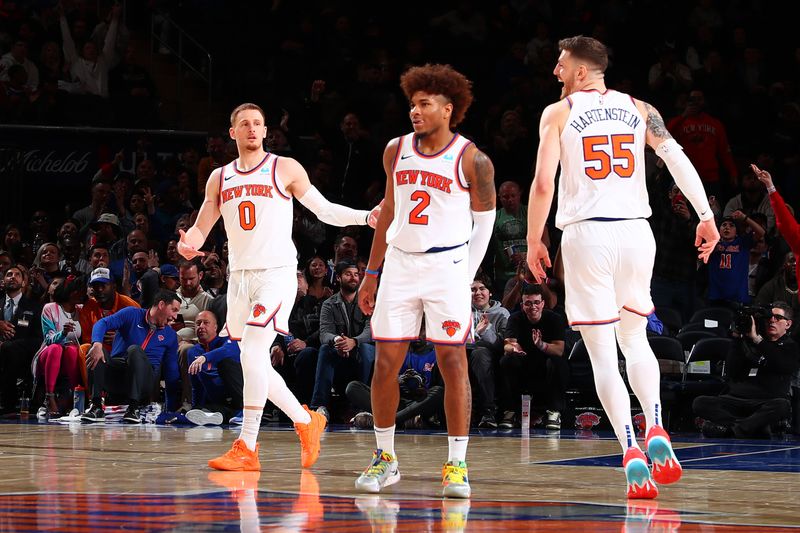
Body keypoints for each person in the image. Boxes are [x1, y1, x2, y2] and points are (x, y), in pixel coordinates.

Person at [526, 36, 720, 499]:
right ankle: (655, 425)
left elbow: (540, 183)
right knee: (635, 339)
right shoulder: (640, 107)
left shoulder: (559, 113)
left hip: (587, 235)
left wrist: (534, 238)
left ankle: (631, 451)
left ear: (579, 70)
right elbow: (676, 158)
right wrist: (706, 216)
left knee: (600, 351)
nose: (555, 71)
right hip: (636, 232)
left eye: (560, 63)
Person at [178, 102, 380, 471]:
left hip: (276, 274)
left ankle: (247, 447)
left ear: (266, 131)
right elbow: (201, 225)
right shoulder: (219, 178)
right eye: (245, 124)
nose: (253, 128)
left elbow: (324, 210)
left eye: (258, 123)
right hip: (240, 278)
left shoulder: (283, 168)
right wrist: (188, 242)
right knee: (251, 361)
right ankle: (306, 422)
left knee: (254, 349)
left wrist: (365, 217)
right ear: (233, 132)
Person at [356, 63, 496, 499]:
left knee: (453, 363)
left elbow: (486, 221)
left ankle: (456, 465)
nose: (415, 111)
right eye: (413, 104)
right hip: (399, 264)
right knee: (385, 364)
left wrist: (466, 274)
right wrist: (371, 274)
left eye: (424, 104)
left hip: (447, 266)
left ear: (448, 109)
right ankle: (385, 458)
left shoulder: (473, 158)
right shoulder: (394, 150)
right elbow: (389, 215)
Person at [693, 302, 799, 438]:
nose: (772, 320)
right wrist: (737, 339)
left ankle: (730, 430)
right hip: (736, 400)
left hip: (766, 402)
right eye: (769, 317)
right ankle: (751, 428)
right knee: (700, 402)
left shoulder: (791, 347)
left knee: (782, 406)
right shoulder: (748, 342)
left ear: (788, 324)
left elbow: (783, 366)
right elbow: (732, 372)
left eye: (778, 318)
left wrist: (758, 340)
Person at [82, 289, 181, 424]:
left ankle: (133, 409)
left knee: (135, 350)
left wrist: (170, 410)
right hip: (118, 376)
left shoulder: (170, 336)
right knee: (95, 350)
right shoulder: (131, 314)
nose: (175, 316)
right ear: (162, 305)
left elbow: (172, 373)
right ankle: (96, 406)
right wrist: (97, 343)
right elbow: (102, 323)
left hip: (144, 382)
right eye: (174, 310)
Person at [309, 260, 375, 422]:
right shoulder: (329, 304)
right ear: (338, 278)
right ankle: (319, 407)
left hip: (362, 352)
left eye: (356, 274)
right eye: (348, 274)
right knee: (325, 348)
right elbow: (324, 334)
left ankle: (362, 407)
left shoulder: (368, 302)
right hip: (340, 354)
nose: (353, 278)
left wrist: (354, 341)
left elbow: (371, 331)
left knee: (366, 348)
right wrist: (337, 340)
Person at [499, 284, 568, 430]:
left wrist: (541, 345)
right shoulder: (515, 318)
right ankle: (510, 411)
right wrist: (514, 349)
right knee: (507, 360)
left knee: (557, 362)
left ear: (543, 303)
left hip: (546, 364)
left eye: (536, 302)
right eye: (528, 303)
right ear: (522, 304)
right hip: (524, 362)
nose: (533, 307)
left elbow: (559, 350)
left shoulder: (554, 318)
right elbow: (507, 345)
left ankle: (554, 412)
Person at [32, 274, 87, 418]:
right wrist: (62, 333)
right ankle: (49, 397)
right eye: (77, 291)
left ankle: (72, 397)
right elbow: (49, 339)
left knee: (72, 350)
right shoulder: (50, 308)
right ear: (69, 292)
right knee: (56, 348)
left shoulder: (81, 309)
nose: (81, 293)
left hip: (70, 355)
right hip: (49, 354)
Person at [185, 311, 243, 426]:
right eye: (198, 323)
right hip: (218, 400)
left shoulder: (227, 340)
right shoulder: (192, 352)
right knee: (205, 411)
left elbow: (229, 350)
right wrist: (196, 407)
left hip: (239, 395)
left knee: (225, 363)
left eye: (206, 323)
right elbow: (196, 386)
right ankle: (226, 416)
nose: (201, 326)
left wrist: (205, 358)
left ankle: (244, 411)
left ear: (216, 327)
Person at [0, 265, 43, 414]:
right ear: (3, 281)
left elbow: (39, 339)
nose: (12, 277)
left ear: (24, 283)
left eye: (17, 275)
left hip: (23, 355)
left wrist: (10, 345)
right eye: (9, 274)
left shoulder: (35, 307)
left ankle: (7, 404)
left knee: (8, 349)